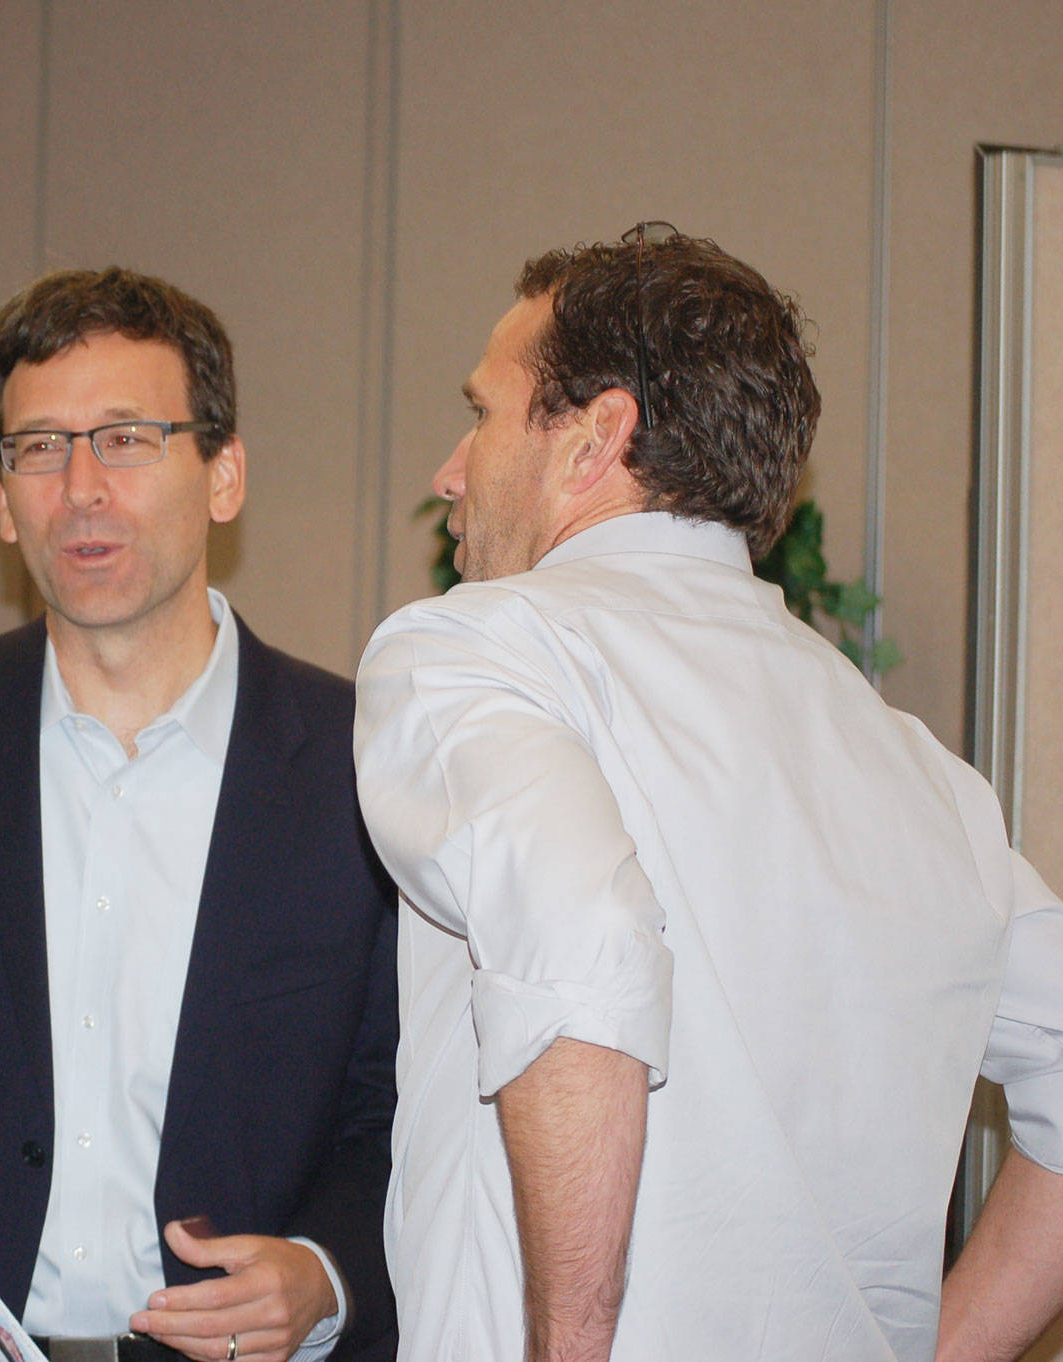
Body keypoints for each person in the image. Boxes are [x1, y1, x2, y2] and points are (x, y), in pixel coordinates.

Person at [354, 225, 1063, 1361]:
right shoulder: (921, 772)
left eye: (482, 412)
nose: (450, 468)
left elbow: (582, 948)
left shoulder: (473, 653)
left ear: (596, 436)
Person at [0, 268, 398, 1362]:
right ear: (3, 502)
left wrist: (325, 1274)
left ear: (224, 475)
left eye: (128, 439)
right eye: (39, 448)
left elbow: (399, 1108)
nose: (81, 487)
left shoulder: (358, 759)